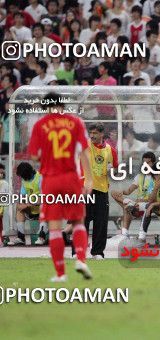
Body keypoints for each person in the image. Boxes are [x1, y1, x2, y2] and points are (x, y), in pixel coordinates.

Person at [27, 92, 93, 282]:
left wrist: (46, 156)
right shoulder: (76, 122)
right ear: (62, 106)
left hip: (50, 180)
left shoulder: (40, 125)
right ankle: (81, 260)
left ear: (46, 107)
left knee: (55, 227)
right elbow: (84, 152)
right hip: (71, 178)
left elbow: (34, 156)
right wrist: (88, 179)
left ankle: (60, 274)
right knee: (78, 221)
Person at [84, 123, 119, 259]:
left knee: (100, 223)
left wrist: (112, 170)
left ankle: (97, 252)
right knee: (82, 222)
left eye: (95, 133)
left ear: (102, 134)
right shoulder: (84, 145)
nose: (92, 135)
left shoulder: (111, 150)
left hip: (102, 189)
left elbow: (115, 167)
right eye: (90, 132)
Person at [111, 152, 157, 238]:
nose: (146, 165)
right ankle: (129, 204)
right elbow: (128, 191)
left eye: (148, 163)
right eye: (144, 163)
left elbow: (154, 199)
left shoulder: (157, 177)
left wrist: (139, 201)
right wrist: (122, 192)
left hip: (148, 205)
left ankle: (124, 234)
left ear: (154, 163)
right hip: (137, 205)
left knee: (127, 207)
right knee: (113, 192)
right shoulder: (139, 176)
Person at [7, 162, 48, 246]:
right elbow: (22, 197)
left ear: (27, 173)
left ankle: (42, 237)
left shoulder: (40, 178)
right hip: (32, 209)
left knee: (43, 206)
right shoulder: (24, 181)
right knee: (19, 210)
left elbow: (44, 198)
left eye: (22, 176)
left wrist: (27, 204)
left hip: (42, 208)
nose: (22, 178)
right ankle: (21, 237)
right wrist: (20, 204)